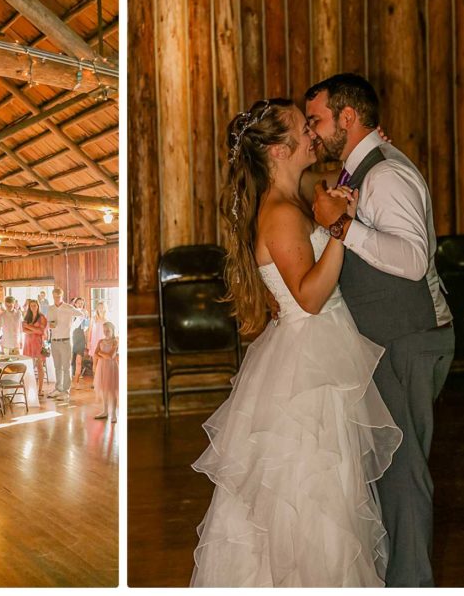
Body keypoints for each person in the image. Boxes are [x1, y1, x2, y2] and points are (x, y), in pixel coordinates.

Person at [190, 97, 402, 587]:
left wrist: (363, 164)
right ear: (279, 151)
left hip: (314, 351)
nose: (311, 133)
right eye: (301, 127)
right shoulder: (282, 213)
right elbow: (308, 297)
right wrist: (337, 231)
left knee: (327, 489)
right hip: (309, 358)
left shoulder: (290, 201)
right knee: (316, 493)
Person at [304, 74, 455, 587]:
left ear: (348, 117)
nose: (313, 131)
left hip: (408, 337)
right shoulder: (362, 169)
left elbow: (413, 260)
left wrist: (342, 227)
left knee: (403, 471)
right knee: (390, 468)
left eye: (317, 119)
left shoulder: (385, 175)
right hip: (388, 338)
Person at [46, 288, 87, 402]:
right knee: (57, 367)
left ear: (62, 296)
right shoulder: (50, 308)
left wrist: (73, 327)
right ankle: (58, 389)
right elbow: (49, 323)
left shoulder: (68, 307)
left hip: (66, 341)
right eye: (54, 297)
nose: (56, 299)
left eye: (58, 297)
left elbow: (82, 314)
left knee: (66, 368)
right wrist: (51, 325)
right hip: (54, 341)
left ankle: (65, 391)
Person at [92, 321, 119, 423]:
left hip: (111, 367)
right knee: (104, 389)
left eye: (108, 330)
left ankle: (114, 414)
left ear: (112, 330)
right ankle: (105, 411)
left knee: (112, 390)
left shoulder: (115, 341)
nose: (106, 332)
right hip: (102, 367)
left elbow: (110, 356)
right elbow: (95, 354)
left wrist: (101, 353)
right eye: (104, 330)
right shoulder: (100, 341)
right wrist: (103, 355)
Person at [21, 300, 48, 398]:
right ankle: (29, 388)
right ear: (29, 307)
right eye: (31, 305)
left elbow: (41, 331)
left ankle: (40, 389)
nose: (33, 307)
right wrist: (34, 330)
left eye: (35, 305)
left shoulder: (41, 317)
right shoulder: (27, 317)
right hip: (28, 344)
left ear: (38, 306)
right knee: (28, 367)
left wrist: (29, 327)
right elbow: (23, 330)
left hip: (38, 344)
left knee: (39, 366)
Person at [70, 297, 89, 389]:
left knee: (78, 362)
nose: (80, 304)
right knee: (69, 362)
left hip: (80, 338)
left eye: (82, 303)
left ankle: (76, 382)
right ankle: (68, 382)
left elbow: (86, 328)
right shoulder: (71, 312)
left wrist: (87, 341)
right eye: (79, 303)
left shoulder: (85, 313)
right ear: (75, 303)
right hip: (71, 338)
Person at [86, 300, 108, 372]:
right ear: (97, 309)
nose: (101, 309)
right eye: (99, 307)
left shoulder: (107, 319)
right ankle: (96, 381)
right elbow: (89, 331)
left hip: (104, 343)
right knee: (95, 363)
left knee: (103, 363)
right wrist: (88, 342)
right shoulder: (93, 318)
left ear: (105, 308)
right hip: (94, 342)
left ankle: (102, 380)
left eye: (102, 307)